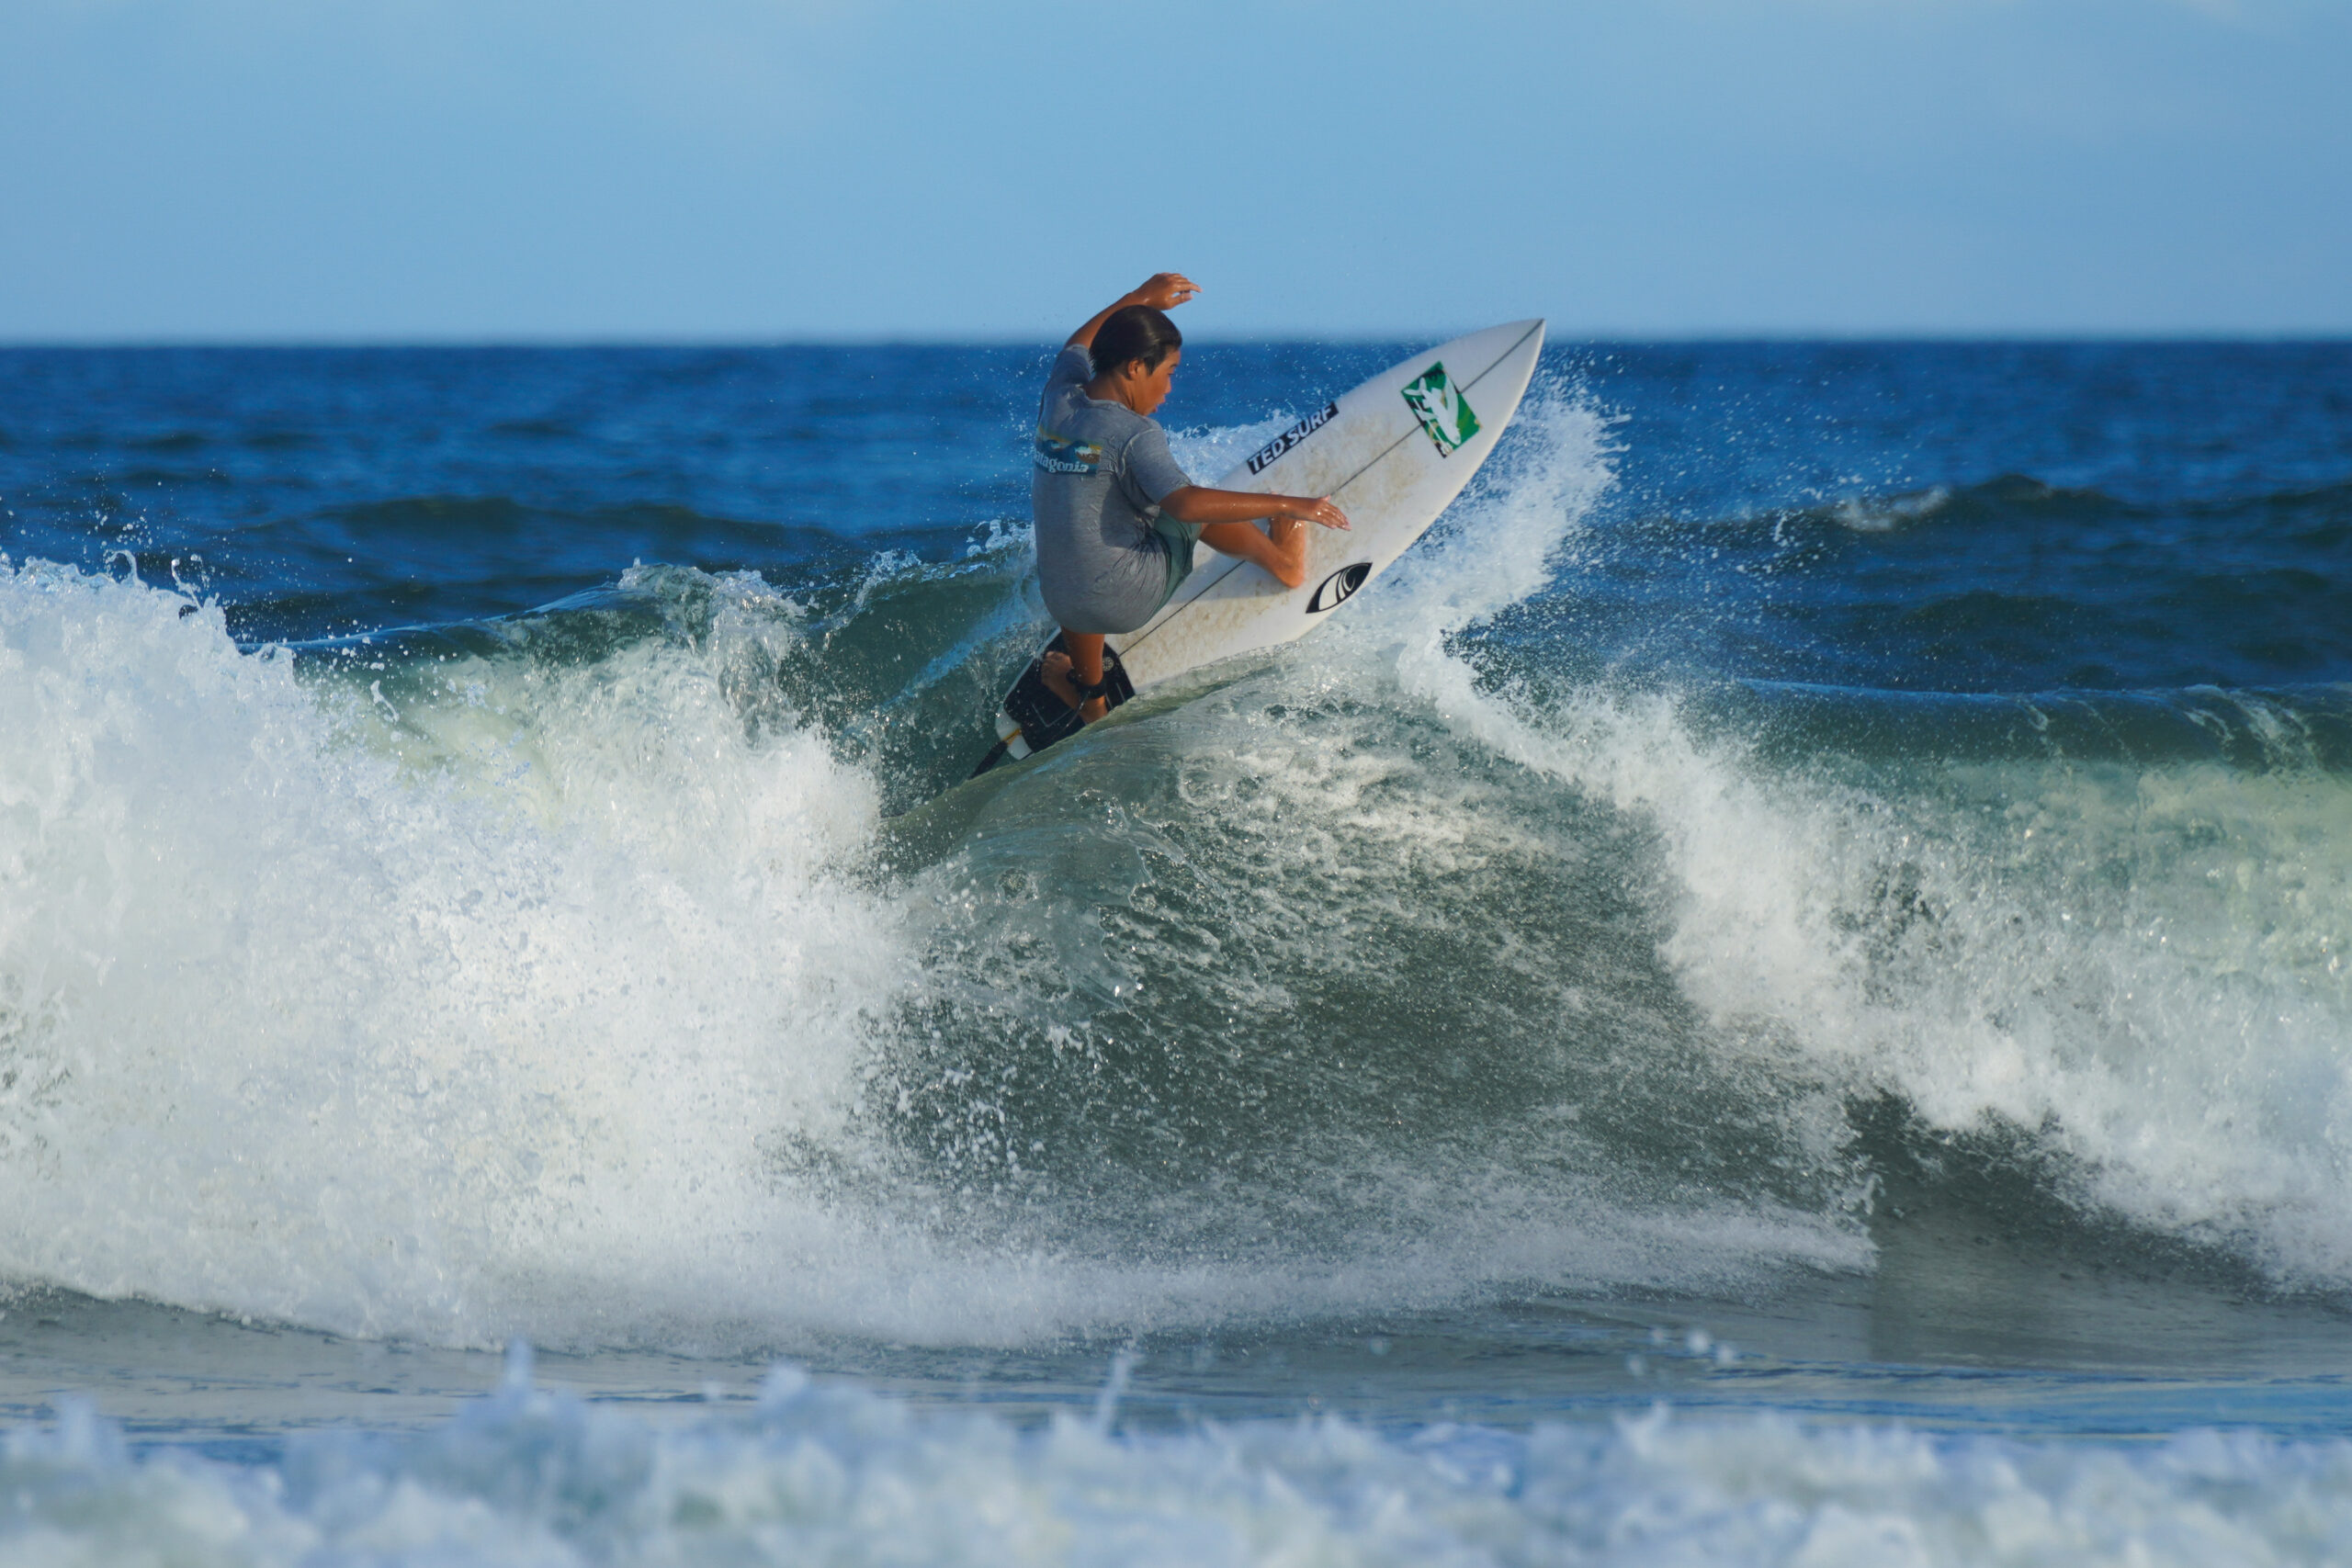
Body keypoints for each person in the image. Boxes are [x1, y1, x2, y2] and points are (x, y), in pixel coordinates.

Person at [1031, 273, 1350, 722]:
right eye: (1169, 373)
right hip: (1122, 602)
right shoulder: (1135, 434)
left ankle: (1093, 700)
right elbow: (1187, 505)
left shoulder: (1059, 395)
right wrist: (1291, 505)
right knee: (1183, 504)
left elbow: (1076, 345)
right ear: (1135, 367)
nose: (1169, 389)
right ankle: (1285, 563)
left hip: (1060, 594)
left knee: (1079, 526)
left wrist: (1139, 299)